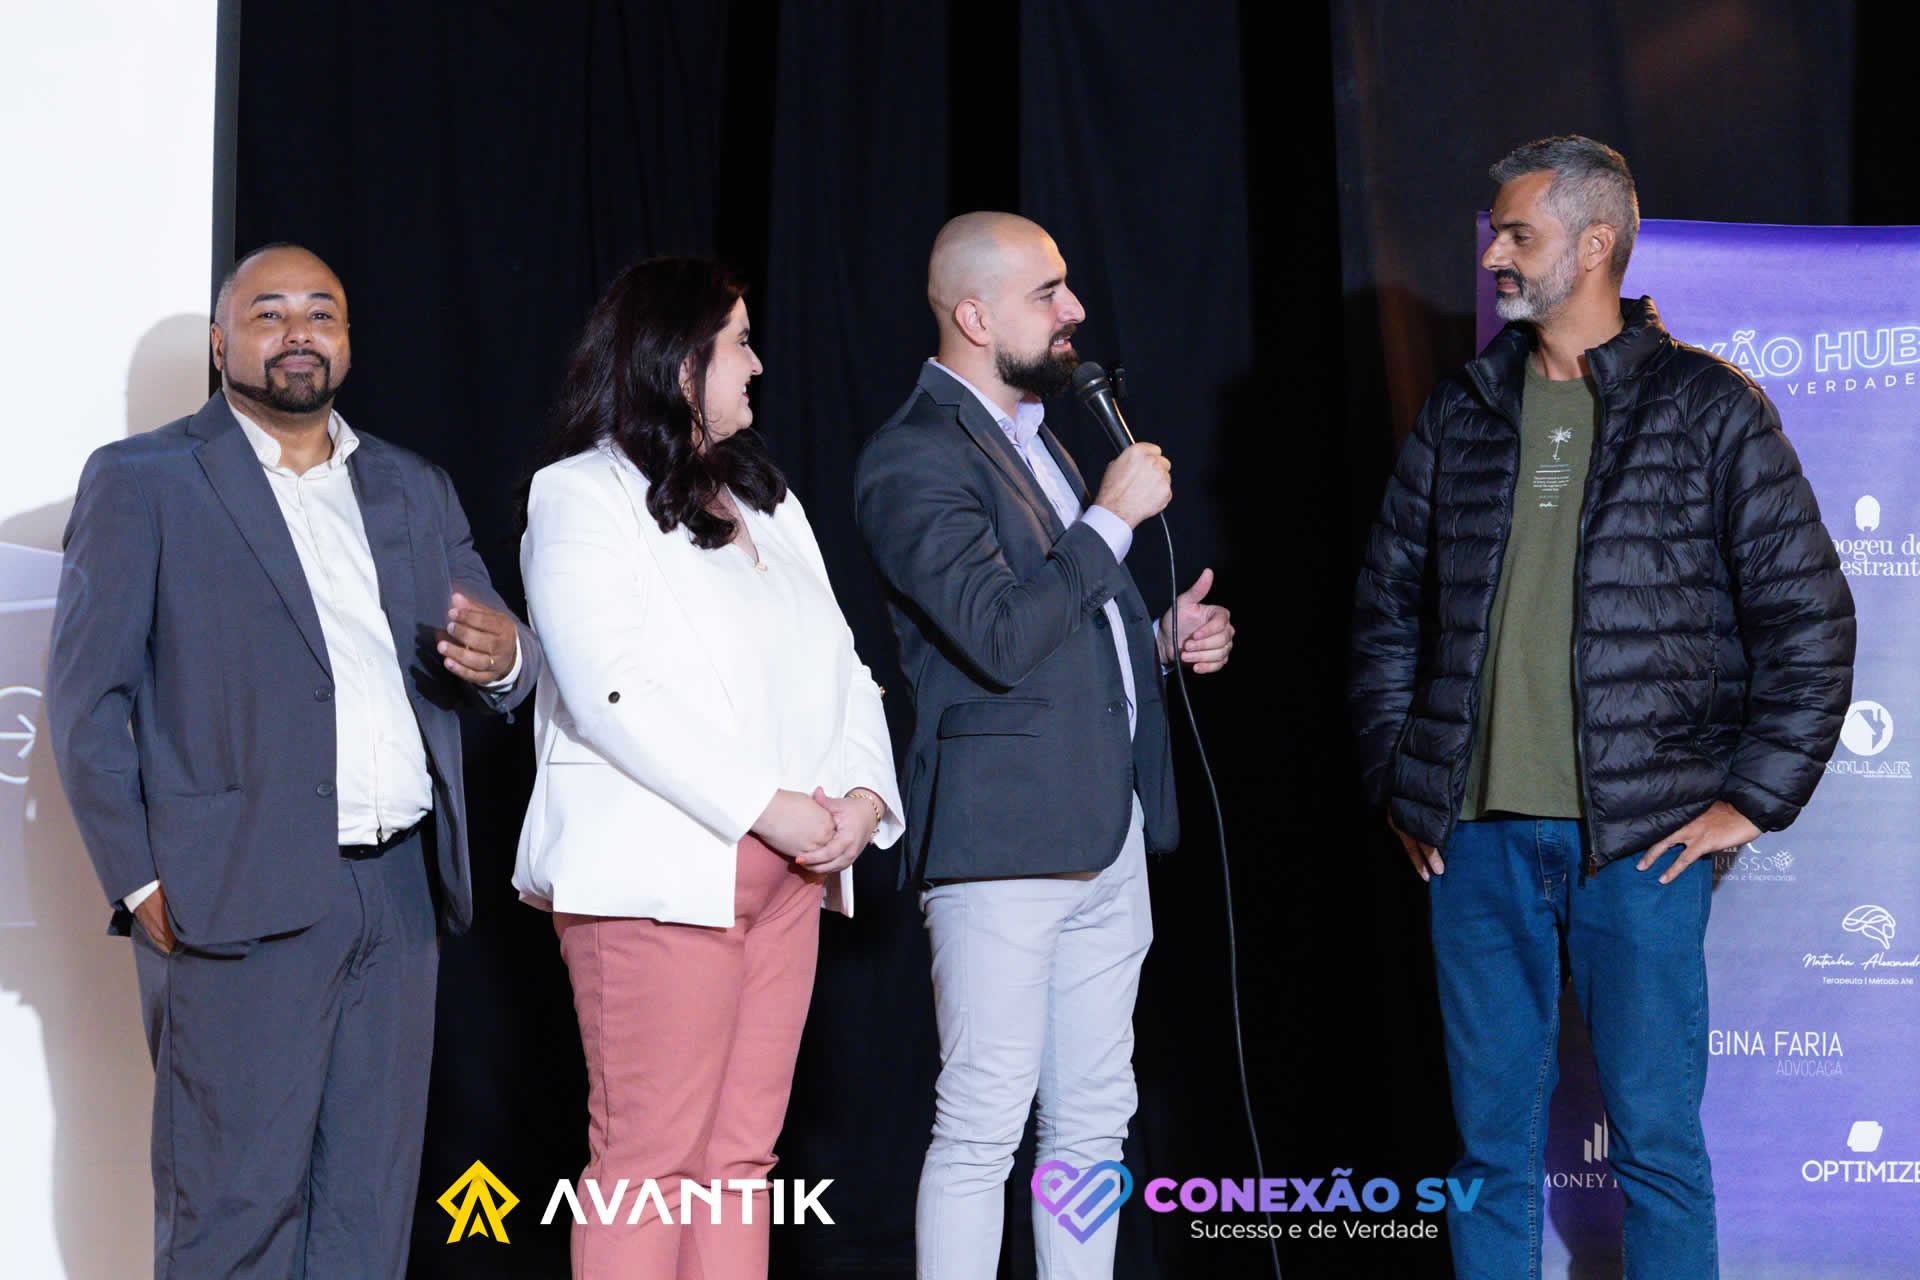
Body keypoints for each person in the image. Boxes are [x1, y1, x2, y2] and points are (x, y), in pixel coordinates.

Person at [1349, 136, 1855, 1280]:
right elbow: (1385, 613)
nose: (1492, 255)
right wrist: (1403, 782)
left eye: (1516, 234)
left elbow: (1810, 618)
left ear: (1593, 244)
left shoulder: (1710, 407)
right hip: (1473, 845)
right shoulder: (1464, 408)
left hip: (1639, 845)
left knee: (1658, 1149)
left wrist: (1750, 799)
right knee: (1487, 1155)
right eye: (1496, 232)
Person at [46, 243, 542, 1278]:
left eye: (322, 312)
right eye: (268, 313)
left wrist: (506, 659)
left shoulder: (411, 486)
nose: (298, 332)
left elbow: (498, 648)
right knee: (231, 1214)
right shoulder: (143, 480)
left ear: (348, 340)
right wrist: (140, 880)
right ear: (221, 343)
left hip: (399, 900)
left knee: (367, 1214)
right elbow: (88, 702)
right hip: (233, 893)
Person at [854, 212, 1235, 1279]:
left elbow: (1061, 631)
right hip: (1005, 843)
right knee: (983, 1124)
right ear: (976, 317)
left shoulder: (1038, 440)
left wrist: (1154, 643)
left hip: (1106, 831)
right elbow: (997, 635)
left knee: (1093, 1122)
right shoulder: (913, 455)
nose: (1075, 310)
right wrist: (1111, 519)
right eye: (1048, 293)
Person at [514, 255, 903, 1280]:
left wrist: (865, 796)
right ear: (679, 361)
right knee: (649, 1163)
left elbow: (847, 666)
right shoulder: (579, 494)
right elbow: (610, 688)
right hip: (664, 873)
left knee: (739, 1163)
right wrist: (764, 806)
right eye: (738, 343)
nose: (758, 364)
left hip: (791, 879)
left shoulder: (768, 499)